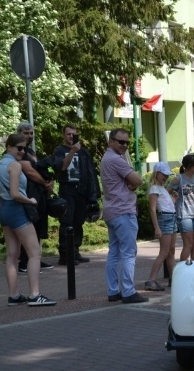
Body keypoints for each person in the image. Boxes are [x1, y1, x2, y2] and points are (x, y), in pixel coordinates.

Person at [0, 133, 56, 307]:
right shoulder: (14, 166)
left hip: (4, 210)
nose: (22, 151)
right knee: (34, 253)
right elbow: (15, 193)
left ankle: (13, 295)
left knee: (12, 254)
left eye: (24, 148)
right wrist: (31, 200)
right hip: (16, 209)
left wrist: (4, 209)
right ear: (9, 147)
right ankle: (35, 295)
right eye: (19, 148)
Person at [101, 128, 148, 304]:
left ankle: (113, 291)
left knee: (114, 252)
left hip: (111, 210)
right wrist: (132, 182)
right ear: (111, 141)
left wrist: (130, 183)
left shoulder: (106, 158)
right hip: (123, 210)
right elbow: (138, 180)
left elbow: (130, 182)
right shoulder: (116, 160)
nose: (125, 145)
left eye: (127, 142)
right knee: (128, 252)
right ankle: (128, 291)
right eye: (121, 142)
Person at [52, 124, 100, 265]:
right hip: (67, 190)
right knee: (67, 222)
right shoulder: (60, 150)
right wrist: (72, 151)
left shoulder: (84, 152)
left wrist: (93, 194)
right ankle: (65, 255)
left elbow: (91, 173)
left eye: (74, 134)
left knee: (78, 222)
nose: (71, 136)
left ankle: (75, 252)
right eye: (68, 134)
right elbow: (61, 167)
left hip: (81, 191)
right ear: (63, 135)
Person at [16, 122, 55, 273]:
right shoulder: (20, 151)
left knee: (38, 227)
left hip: (38, 194)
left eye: (31, 133)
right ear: (19, 133)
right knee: (29, 226)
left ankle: (35, 259)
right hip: (27, 193)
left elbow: (37, 168)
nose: (29, 136)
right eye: (26, 133)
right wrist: (45, 183)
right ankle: (24, 262)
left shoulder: (30, 150)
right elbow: (29, 171)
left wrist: (48, 182)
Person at [144, 162, 177, 292]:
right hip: (165, 219)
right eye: (163, 175)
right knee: (164, 252)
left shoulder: (162, 188)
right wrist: (157, 227)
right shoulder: (154, 188)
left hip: (171, 217)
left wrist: (173, 200)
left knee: (171, 251)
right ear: (157, 173)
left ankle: (173, 278)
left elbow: (164, 204)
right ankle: (151, 280)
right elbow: (153, 209)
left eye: (167, 175)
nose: (166, 177)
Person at [168, 154, 194, 262]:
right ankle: (182, 269)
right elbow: (166, 193)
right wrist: (173, 198)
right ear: (190, 165)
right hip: (184, 215)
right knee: (188, 243)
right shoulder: (179, 179)